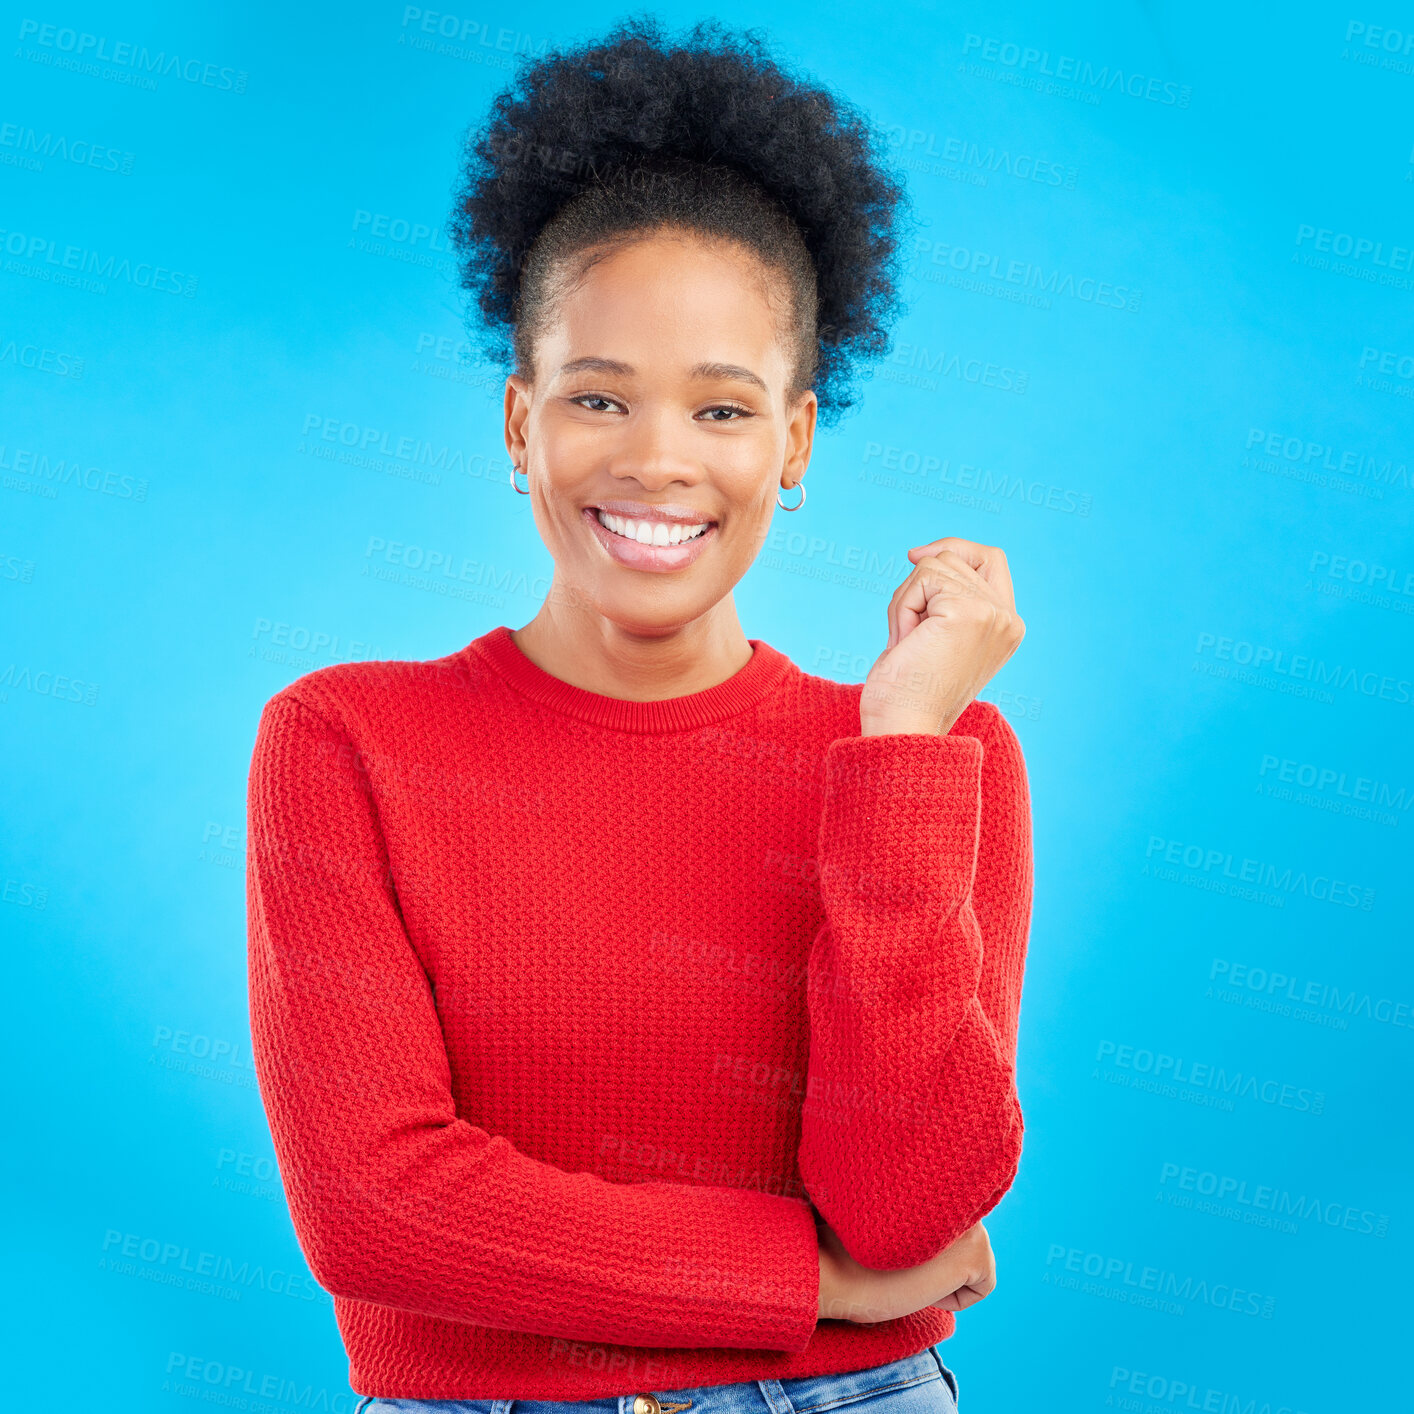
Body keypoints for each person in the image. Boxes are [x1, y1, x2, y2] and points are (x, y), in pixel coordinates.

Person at [245, 16, 1032, 1414]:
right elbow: (373, 1208)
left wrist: (897, 749)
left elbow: (907, 1207)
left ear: (792, 440)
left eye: (722, 411)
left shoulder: (939, 755)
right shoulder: (345, 741)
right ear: (517, 423)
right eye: (598, 395)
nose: (658, 462)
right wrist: (807, 1279)